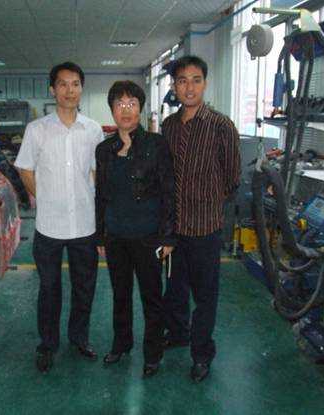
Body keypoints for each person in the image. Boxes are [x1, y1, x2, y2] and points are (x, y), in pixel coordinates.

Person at [15, 62, 103, 373]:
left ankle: (79, 338)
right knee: (49, 289)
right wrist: (44, 197)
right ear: (52, 90)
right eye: (63, 84)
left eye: (75, 84)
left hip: (85, 224)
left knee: (84, 287)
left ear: (81, 89)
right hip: (49, 226)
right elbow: (24, 168)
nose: (69, 90)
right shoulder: (37, 129)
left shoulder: (92, 130)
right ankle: (48, 344)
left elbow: (97, 171)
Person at [161, 56, 241, 382]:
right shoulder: (168, 126)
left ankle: (201, 354)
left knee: (205, 296)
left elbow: (232, 177)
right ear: (175, 86)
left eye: (196, 80)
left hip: (205, 228)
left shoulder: (222, 126)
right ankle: (178, 333)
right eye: (182, 81)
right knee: (174, 289)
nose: (189, 87)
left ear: (205, 84)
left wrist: (207, 201)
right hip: (173, 228)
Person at [95, 80, 176, 378]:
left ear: (140, 108)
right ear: (112, 110)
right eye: (119, 104)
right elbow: (101, 195)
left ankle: (153, 353)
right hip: (116, 237)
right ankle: (121, 344)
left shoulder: (156, 145)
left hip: (148, 237)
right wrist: (100, 234)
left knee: (152, 298)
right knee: (120, 295)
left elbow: (169, 192)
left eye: (131, 103)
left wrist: (168, 236)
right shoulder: (104, 149)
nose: (126, 110)